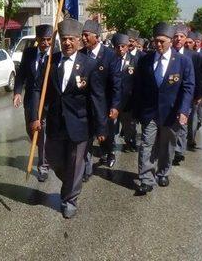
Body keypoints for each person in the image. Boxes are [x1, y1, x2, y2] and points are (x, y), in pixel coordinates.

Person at [29, 17, 106, 219]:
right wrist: (35, 116)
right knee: (54, 159)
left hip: (80, 125)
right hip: (55, 123)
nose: (67, 43)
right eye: (64, 39)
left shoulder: (89, 65)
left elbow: (97, 98)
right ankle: (71, 182)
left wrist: (101, 128)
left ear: (79, 40)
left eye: (71, 39)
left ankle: (69, 199)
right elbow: (38, 89)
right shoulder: (50, 62)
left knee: (75, 163)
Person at [133, 22, 194, 194]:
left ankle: (163, 172)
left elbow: (188, 88)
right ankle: (146, 178)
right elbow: (138, 87)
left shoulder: (183, 62)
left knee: (167, 145)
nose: (158, 45)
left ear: (170, 41)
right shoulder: (145, 60)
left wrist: (183, 110)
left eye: (162, 41)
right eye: (156, 41)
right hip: (149, 112)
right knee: (146, 144)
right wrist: (137, 111)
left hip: (171, 112)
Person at [79, 20, 121, 175]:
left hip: (105, 104)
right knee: (87, 137)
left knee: (105, 135)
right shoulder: (81, 54)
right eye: (82, 35)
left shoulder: (110, 56)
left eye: (86, 35)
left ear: (96, 37)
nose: (83, 38)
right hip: (85, 104)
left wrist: (115, 106)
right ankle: (86, 169)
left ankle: (109, 152)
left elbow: (117, 83)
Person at [14, 24, 53, 182]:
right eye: (42, 40)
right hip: (30, 99)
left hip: (47, 100)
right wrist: (17, 92)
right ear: (37, 40)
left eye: (48, 40)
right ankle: (45, 149)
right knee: (31, 131)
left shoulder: (55, 56)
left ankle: (43, 166)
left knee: (41, 131)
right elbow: (21, 73)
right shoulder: (29, 53)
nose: (45, 43)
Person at [171, 25, 196, 166]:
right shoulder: (168, 54)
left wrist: (198, 95)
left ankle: (179, 151)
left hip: (186, 96)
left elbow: (196, 79)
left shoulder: (192, 56)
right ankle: (170, 148)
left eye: (181, 36)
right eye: (176, 36)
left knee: (182, 124)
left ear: (186, 39)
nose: (178, 39)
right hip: (170, 96)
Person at [113, 33, 138, 152]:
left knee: (129, 125)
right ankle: (110, 146)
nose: (120, 49)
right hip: (113, 100)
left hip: (128, 100)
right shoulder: (111, 60)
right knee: (112, 125)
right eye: (118, 46)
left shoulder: (134, 60)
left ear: (127, 47)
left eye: (123, 46)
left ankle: (130, 142)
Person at [185, 32, 202, 150]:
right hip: (183, 92)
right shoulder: (179, 55)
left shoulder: (200, 56)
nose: (188, 45)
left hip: (195, 92)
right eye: (186, 42)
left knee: (194, 116)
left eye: (190, 42)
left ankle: (191, 138)